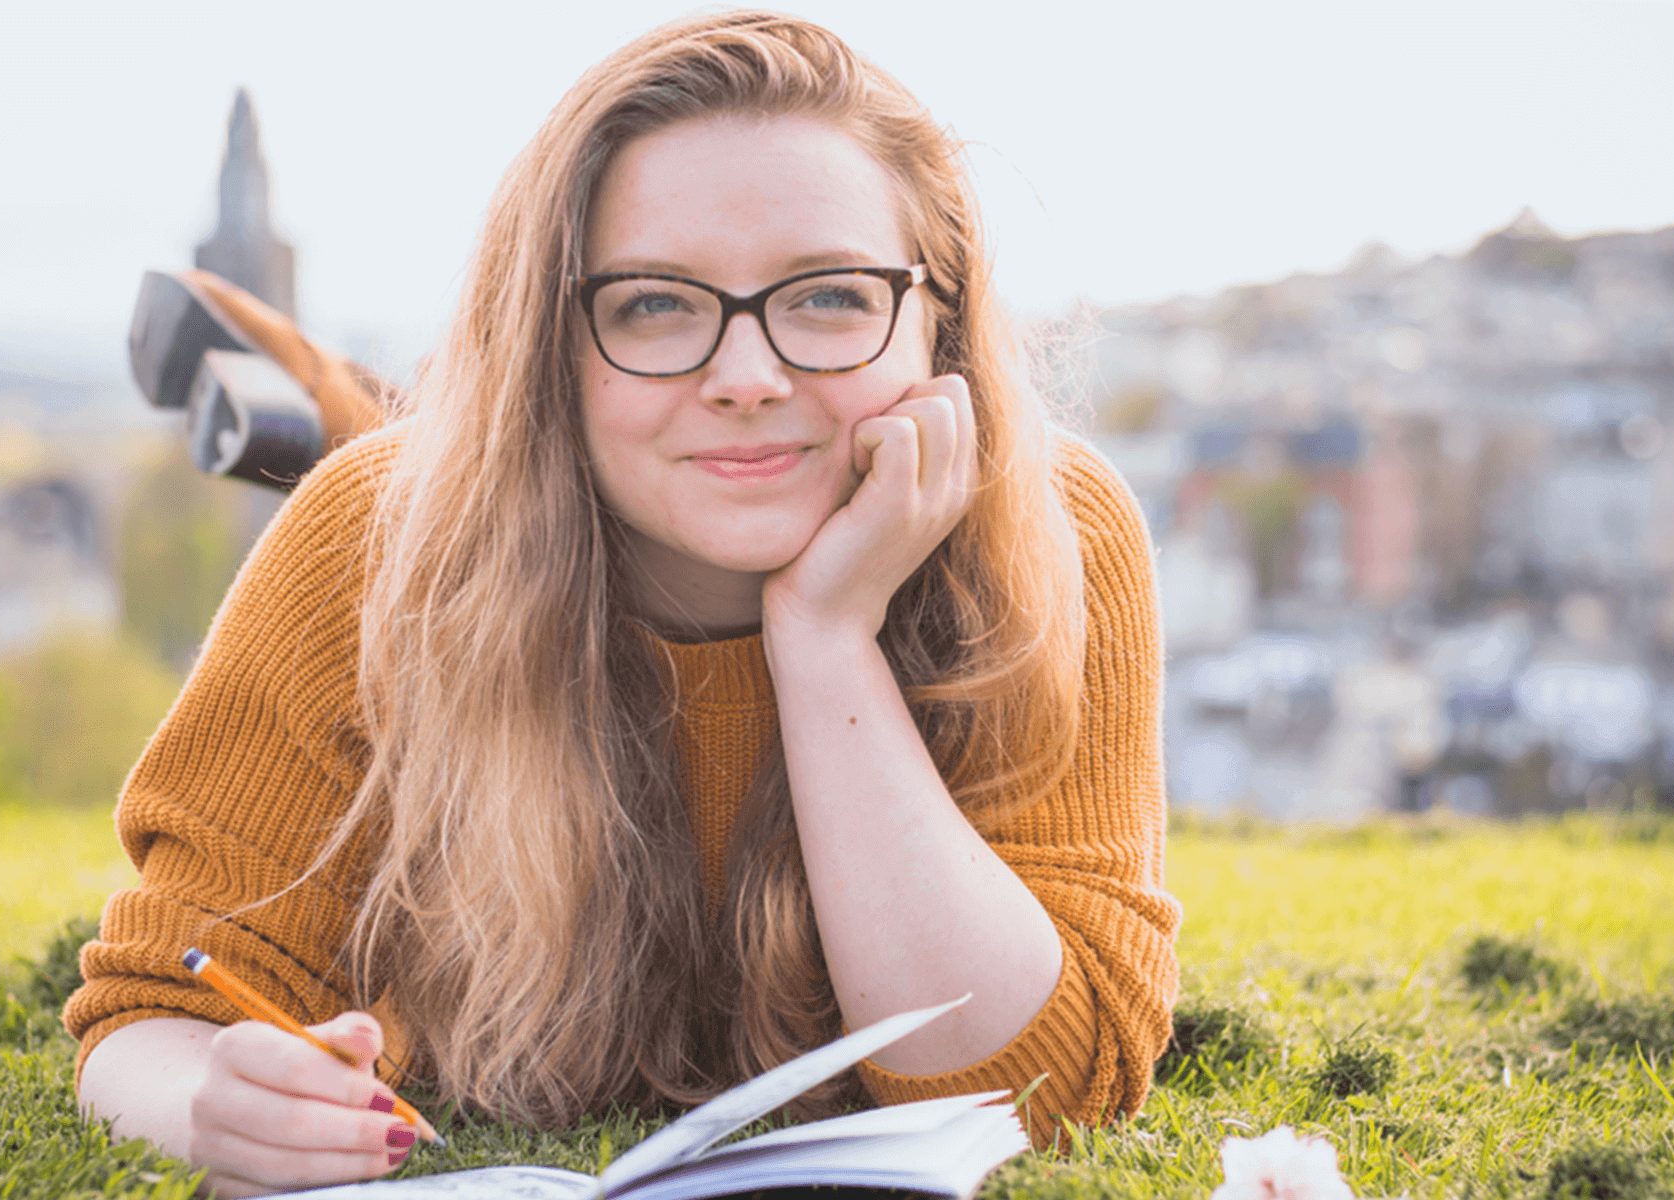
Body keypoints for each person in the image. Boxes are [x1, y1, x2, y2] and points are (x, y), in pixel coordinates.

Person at [66, 11, 1182, 1197]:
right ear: (553, 332)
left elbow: (1046, 1088)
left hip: (558, 464)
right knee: (439, 491)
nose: (749, 379)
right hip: (480, 495)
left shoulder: (1053, 532)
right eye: (653, 303)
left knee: (509, 461)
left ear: (939, 321)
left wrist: (826, 638)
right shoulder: (367, 541)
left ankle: (329, 385)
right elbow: (153, 1013)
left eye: (832, 298)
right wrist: (214, 1103)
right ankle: (348, 398)